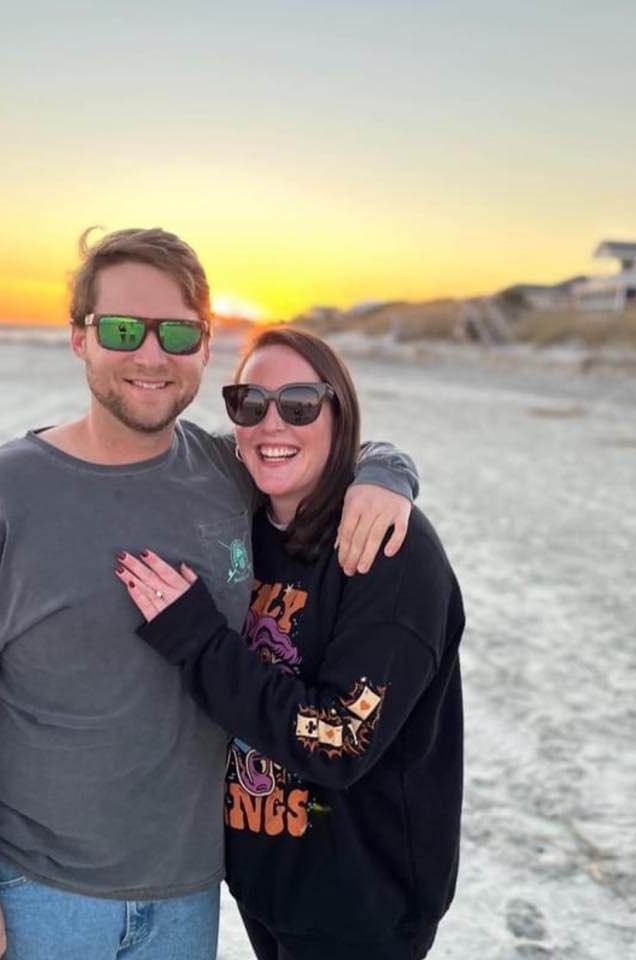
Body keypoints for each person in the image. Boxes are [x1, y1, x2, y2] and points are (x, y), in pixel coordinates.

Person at [0, 227, 422, 960]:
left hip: (188, 894)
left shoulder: (222, 475)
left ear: (204, 346)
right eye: (120, 329)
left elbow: (317, 452)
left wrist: (388, 472)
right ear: (80, 339)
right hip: (37, 893)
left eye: (175, 332)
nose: (150, 355)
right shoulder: (2, 497)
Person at [117, 326, 464, 960]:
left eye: (300, 403)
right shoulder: (247, 519)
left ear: (339, 413)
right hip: (264, 886)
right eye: (250, 403)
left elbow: (339, 739)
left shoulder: (390, 553)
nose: (271, 423)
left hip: (362, 910)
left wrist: (195, 638)